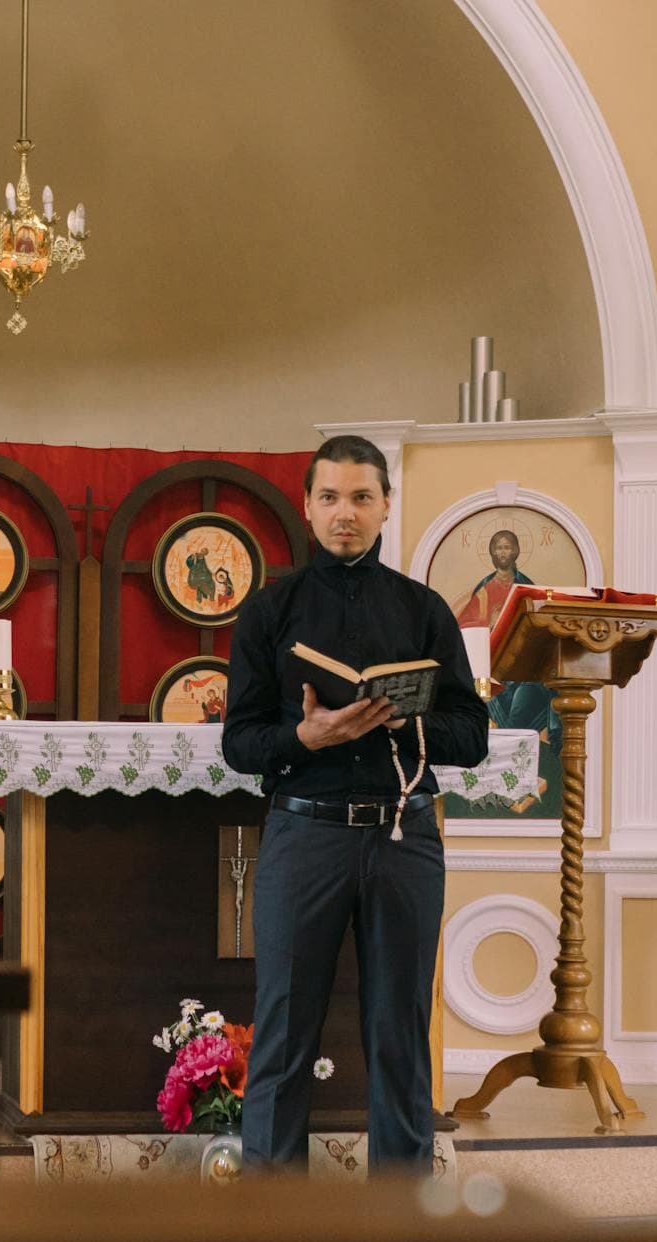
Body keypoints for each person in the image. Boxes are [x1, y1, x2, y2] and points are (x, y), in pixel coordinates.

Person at [223, 434, 487, 1175]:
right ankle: (273, 1221)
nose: (347, 513)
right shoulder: (271, 611)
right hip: (303, 833)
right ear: (308, 507)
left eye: (362, 498)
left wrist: (411, 720)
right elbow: (239, 744)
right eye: (331, 497)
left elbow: (472, 736)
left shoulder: (425, 610)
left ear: (386, 507)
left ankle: (401, 1217)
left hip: (403, 838)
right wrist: (307, 735)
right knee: (282, 1035)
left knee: (399, 1034)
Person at [451, 528, 559, 815]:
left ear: (516, 552)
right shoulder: (484, 589)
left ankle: (518, 777)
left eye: (507, 547)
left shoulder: (527, 586)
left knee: (528, 698)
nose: (502, 553)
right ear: (491, 552)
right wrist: (489, 623)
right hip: (490, 664)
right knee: (486, 698)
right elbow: (468, 623)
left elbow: (539, 622)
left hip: (522, 666)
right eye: (498, 548)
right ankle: (511, 780)